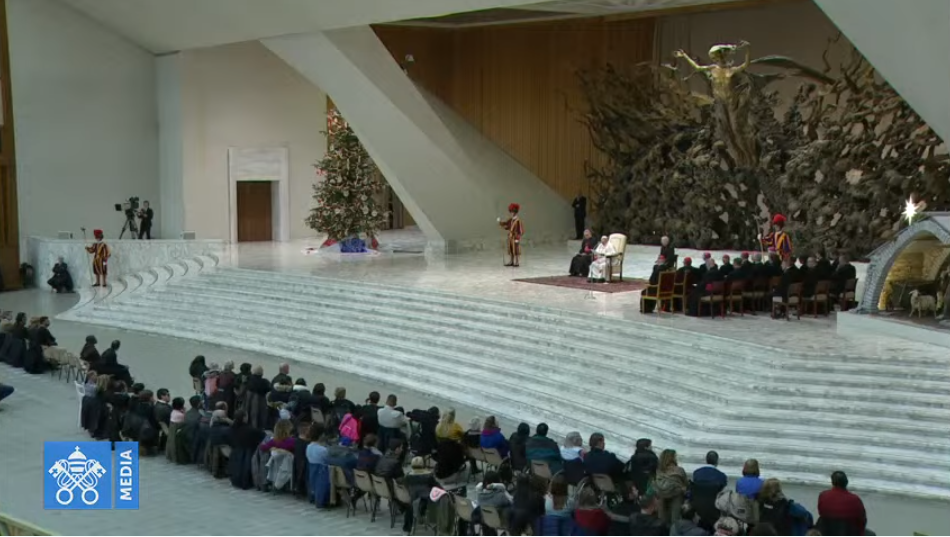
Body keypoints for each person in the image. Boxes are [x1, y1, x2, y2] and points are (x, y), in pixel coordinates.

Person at [817, 471, 868, 536]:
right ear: (846, 482)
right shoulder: (855, 500)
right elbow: (862, 520)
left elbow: (821, 512)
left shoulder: (823, 496)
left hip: (826, 531)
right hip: (849, 532)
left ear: (832, 482)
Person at [655, 449, 689, 528]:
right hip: (676, 497)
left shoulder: (659, 471)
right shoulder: (679, 470)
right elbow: (686, 484)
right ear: (672, 458)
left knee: (662, 520)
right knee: (675, 521)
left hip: (662, 497)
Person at [498, 203, 525, 267]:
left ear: (515, 212)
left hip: (515, 238)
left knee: (516, 250)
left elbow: (521, 230)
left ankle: (517, 262)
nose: (512, 213)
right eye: (511, 211)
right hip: (510, 237)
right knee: (511, 249)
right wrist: (500, 222)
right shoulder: (511, 220)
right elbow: (506, 225)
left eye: (513, 212)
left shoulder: (518, 221)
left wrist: (518, 237)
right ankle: (511, 261)